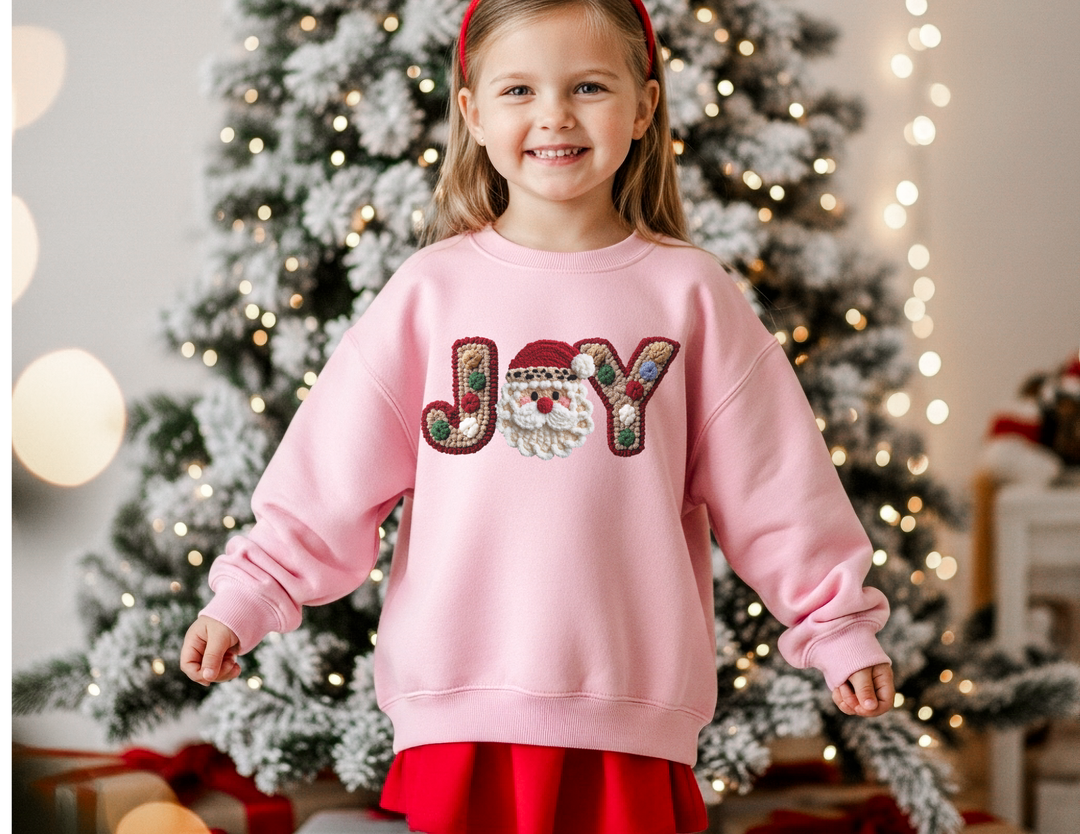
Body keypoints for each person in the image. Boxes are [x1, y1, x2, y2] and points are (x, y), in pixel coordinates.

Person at [181, 0, 895, 831]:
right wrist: (251, 592)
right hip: (460, 714)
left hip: (629, 712)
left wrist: (838, 628)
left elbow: (777, 485)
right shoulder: (430, 292)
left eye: (588, 85)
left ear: (644, 106)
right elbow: (329, 471)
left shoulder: (690, 295)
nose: (553, 114)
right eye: (519, 89)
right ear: (473, 112)